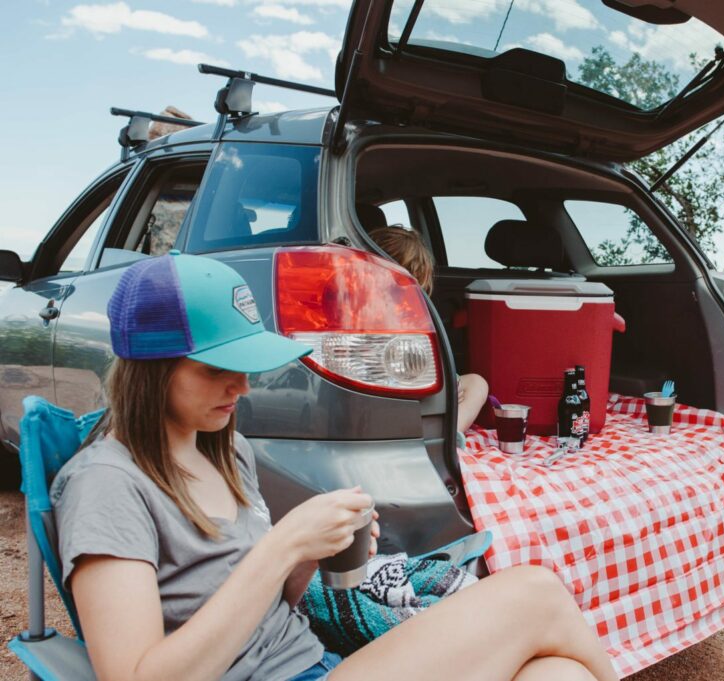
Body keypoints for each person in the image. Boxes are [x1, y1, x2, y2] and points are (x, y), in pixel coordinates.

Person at [52, 252, 616, 681]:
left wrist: (307, 559)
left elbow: (266, 614)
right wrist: (281, 549)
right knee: (534, 592)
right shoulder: (108, 483)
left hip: (314, 665)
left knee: (558, 675)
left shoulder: (224, 451)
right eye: (220, 368)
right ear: (151, 367)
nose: (243, 386)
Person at [369, 225, 488, 436]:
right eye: (395, 286)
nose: (402, 296)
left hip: (423, 390)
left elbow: (430, 363)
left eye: (412, 288)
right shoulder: (363, 312)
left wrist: (452, 383)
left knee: (477, 383)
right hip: (390, 397)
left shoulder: (415, 316)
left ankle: (452, 434)